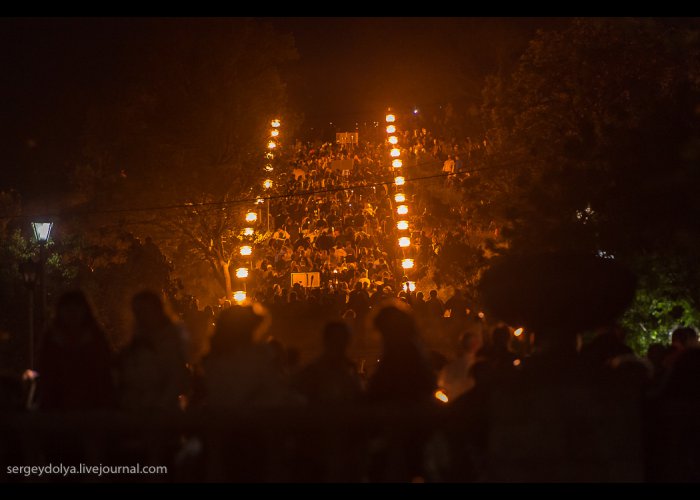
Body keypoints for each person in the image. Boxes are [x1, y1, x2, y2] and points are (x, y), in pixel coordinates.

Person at [38, 290, 116, 410]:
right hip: (58, 403)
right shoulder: (51, 338)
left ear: (85, 310)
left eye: (76, 307)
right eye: (67, 308)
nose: (72, 312)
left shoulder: (96, 337)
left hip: (92, 402)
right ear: (61, 311)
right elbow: (45, 370)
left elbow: (105, 370)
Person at [117, 291, 189, 412]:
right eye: (138, 311)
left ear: (157, 311)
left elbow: (177, 378)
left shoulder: (169, 342)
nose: (142, 316)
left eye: (146, 310)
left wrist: (159, 406)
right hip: (137, 411)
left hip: (160, 414)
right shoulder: (135, 344)